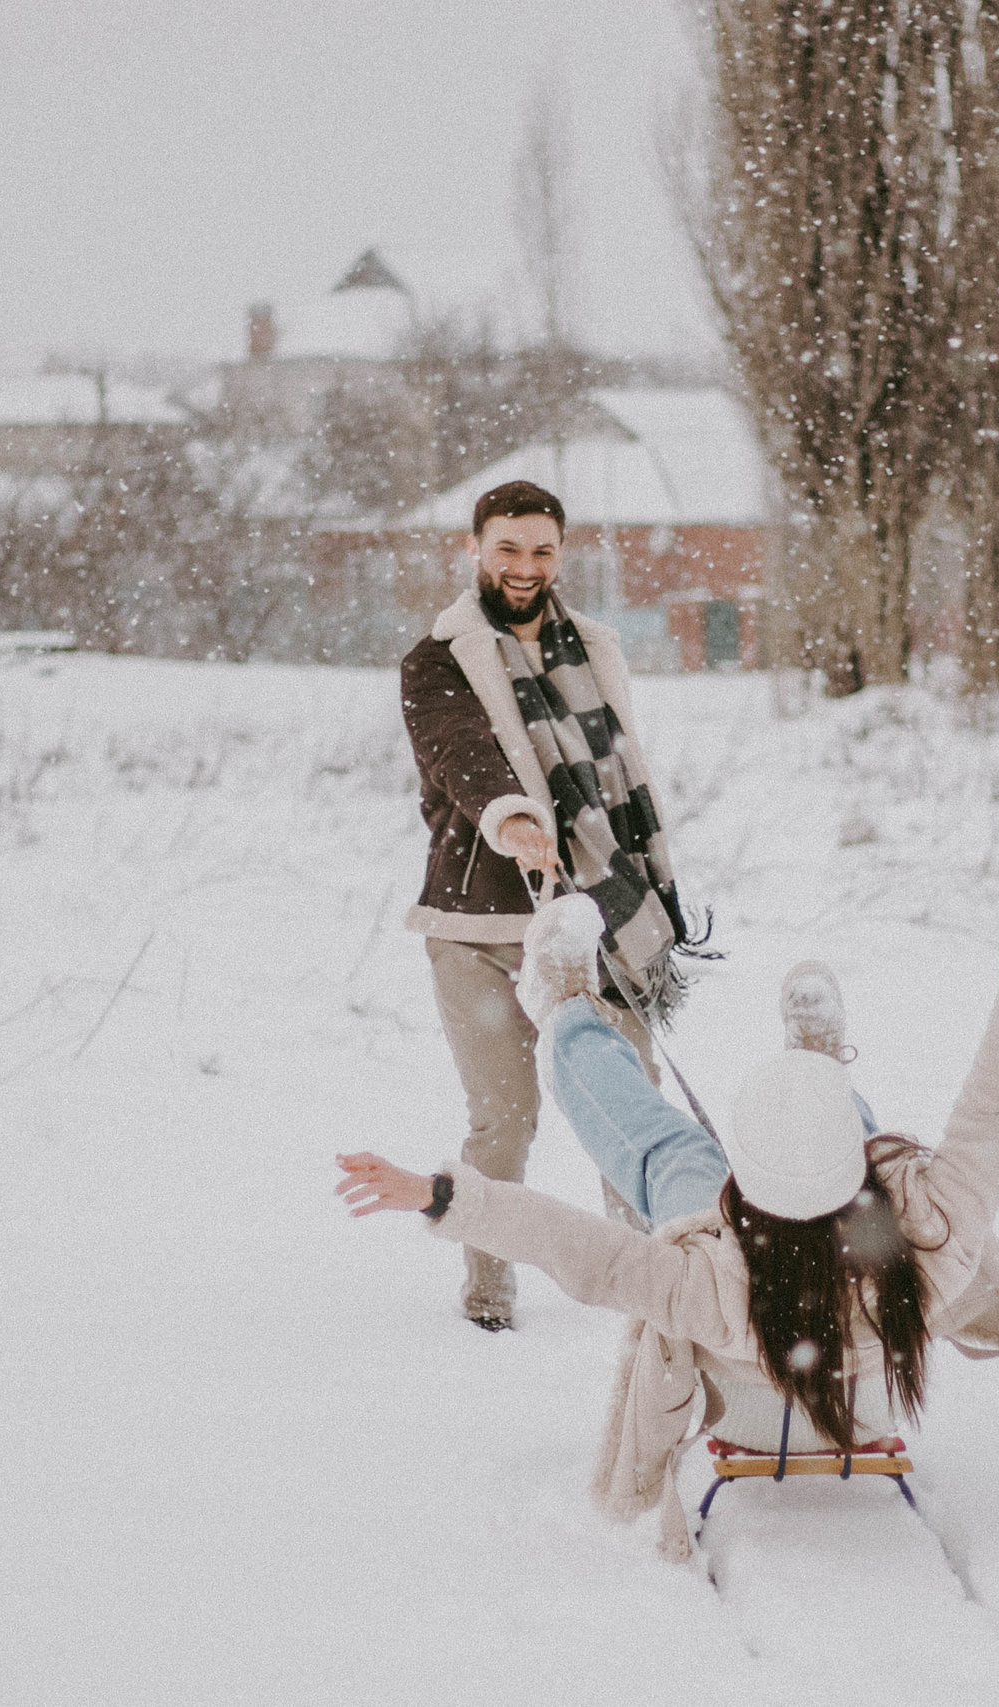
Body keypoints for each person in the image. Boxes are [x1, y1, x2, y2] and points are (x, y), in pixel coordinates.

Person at [337, 863, 999, 1557]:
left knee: (666, 1151)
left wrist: (444, 1194)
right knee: (873, 1143)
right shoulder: (931, 1234)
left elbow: (582, 1249)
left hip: (745, 1411)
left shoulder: (711, 1278)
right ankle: (817, 1067)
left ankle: (567, 1009)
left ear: (745, 1186)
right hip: (863, 1401)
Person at [398, 479, 702, 1331]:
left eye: (541, 549)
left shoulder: (596, 648)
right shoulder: (436, 658)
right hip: (480, 928)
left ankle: (657, 1292)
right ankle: (487, 1294)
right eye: (507, 548)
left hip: (599, 922)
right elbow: (463, 754)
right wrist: (517, 820)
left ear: (560, 553)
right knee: (505, 1118)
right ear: (475, 549)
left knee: (631, 1105)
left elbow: (615, 775)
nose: (524, 567)